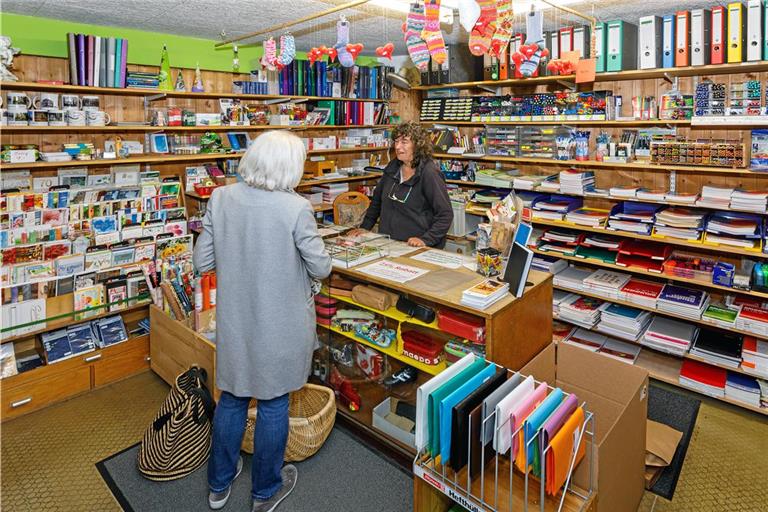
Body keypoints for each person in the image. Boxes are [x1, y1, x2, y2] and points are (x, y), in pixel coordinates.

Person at [193, 130, 331, 512]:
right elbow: (321, 265)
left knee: (232, 399)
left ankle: (218, 485)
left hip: (237, 321)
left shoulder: (220, 198)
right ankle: (265, 491)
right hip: (281, 324)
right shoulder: (296, 208)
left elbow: (203, 262)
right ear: (290, 167)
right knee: (274, 405)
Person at [352, 121, 453, 248]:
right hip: (389, 243)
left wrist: (426, 240)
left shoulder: (429, 173)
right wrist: (365, 228)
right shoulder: (392, 167)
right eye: (396, 141)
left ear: (418, 145)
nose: (398, 147)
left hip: (419, 247)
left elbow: (445, 214)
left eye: (404, 142)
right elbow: (377, 202)